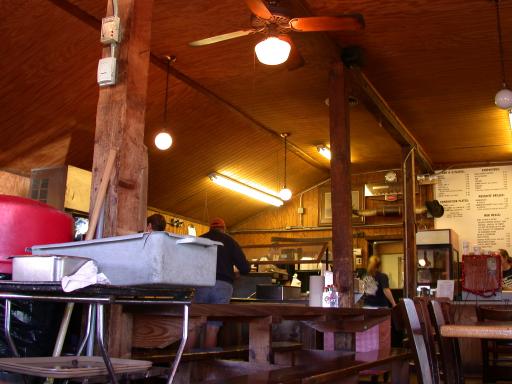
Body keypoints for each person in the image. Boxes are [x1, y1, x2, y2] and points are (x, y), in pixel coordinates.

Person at [189, 217, 250, 349]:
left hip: (202, 284)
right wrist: (235, 273)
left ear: (210, 228)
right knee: (213, 327)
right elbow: (245, 268)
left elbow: (189, 264)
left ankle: (184, 364)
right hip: (223, 285)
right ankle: (208, 364)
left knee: (193, 325)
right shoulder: (230, 241)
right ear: (224, 229)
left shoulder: (199, 240)